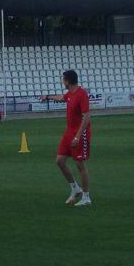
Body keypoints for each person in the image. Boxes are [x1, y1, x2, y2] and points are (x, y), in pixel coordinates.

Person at [41, 70, 92, 207]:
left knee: (80, 165)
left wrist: (77, 136)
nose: (62, 82)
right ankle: (75, 188)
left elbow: (86, 117)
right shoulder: (70, 94)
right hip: (69, 132)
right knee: (60, 160)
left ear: (68, 81)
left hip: (80, 134)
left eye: (63, 80)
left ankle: (86, 197)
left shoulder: (82, 94)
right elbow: (61, 98)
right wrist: (47, 97)